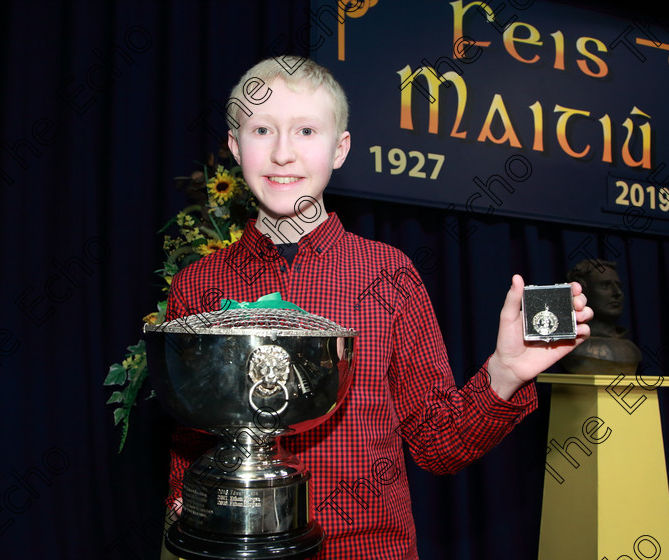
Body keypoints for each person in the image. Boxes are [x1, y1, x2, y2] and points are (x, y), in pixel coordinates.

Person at [162, 56, 592, 559]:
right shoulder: (198, 284)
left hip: (366, 548)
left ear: (339, 148)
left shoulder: (389, 274)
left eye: (305, 131)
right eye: (262, 130)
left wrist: (505, 374)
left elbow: (438, 445)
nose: (283, 153)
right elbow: (189, 445)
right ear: (236, 147)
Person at [561, 259, 641, 374]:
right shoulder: (574, 348)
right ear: (583, 291)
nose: (617, 292)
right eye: (605, 286)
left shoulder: (631, 349)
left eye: (618, 286)